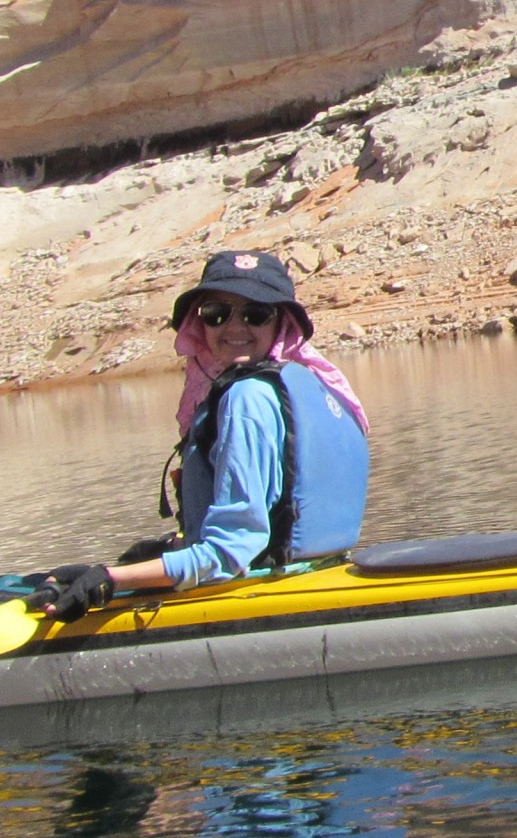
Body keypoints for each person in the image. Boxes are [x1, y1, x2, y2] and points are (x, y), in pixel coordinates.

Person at [33, 251, 371, 621]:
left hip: (256, 594)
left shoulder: (247, 399)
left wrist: (109, 579)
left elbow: (229, 552)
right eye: (216, 314)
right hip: (317, 573)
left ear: (281, 323)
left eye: (256, 314)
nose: (235, 327)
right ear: (200, 324)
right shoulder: (316, 389)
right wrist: (171, 550)